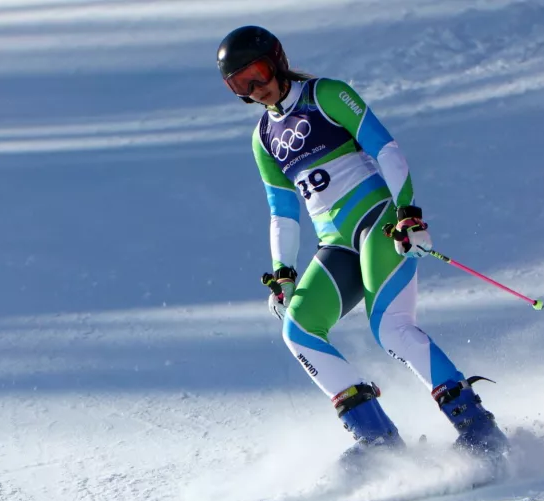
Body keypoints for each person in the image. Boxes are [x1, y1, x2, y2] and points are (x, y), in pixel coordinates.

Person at [216, 25, 509, 468]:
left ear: (275, 59)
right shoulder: (263, 139)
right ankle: (379, 442)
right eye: (240, 84)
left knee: (391, 328)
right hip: (337, 245)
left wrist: (408, 211)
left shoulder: (326, 95)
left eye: (256, 74)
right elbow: (282, 209)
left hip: (380, 224)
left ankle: (479, 430)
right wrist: (283, 273)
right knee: (299, 330)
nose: (255, 89)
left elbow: (386, 149)